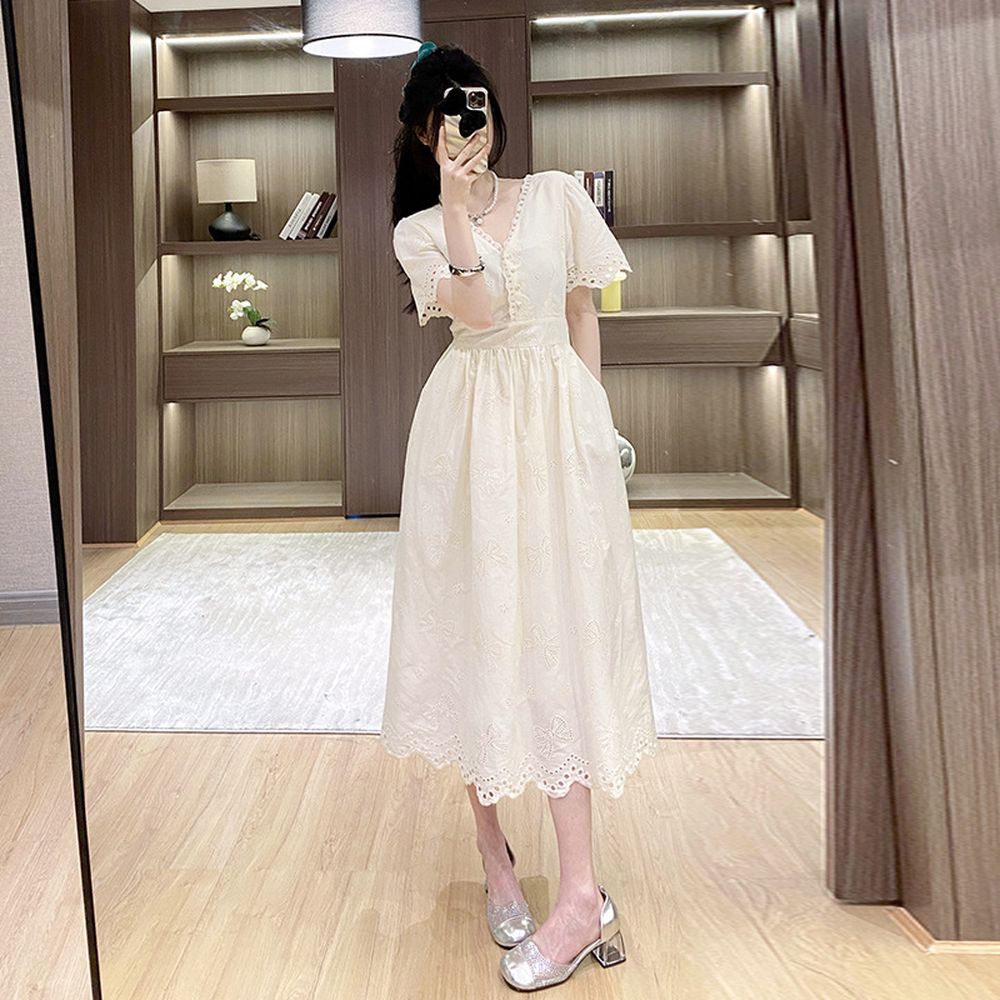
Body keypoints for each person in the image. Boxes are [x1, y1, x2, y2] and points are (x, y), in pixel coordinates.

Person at [380, 41, 657, 992]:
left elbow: (582, 312)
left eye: (480, 103)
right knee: (478, 632)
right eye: (450, 113)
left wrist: (595, 428)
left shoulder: (557, 196)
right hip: (468, 438)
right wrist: (458, 208)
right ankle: (496, 855)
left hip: (555, 424)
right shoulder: (419, 230)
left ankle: (579, 894)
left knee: (560, 635)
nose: (471, 122)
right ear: (424, 133)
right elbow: (482, 312)